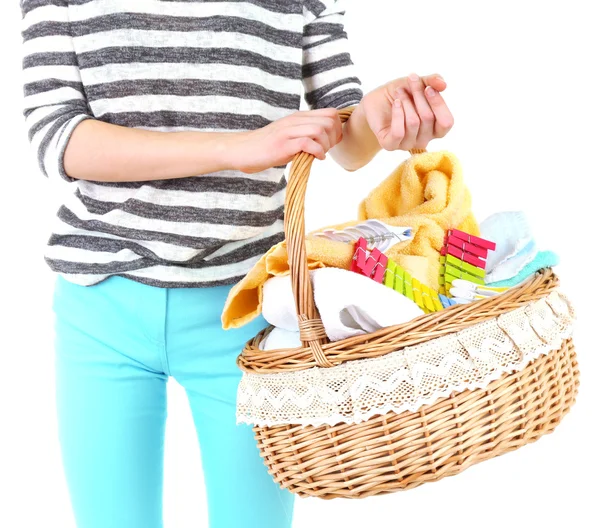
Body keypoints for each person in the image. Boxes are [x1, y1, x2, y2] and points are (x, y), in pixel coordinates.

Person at [21, 1, 453, 527]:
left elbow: (345, 132)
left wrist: (380, 113)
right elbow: (56, 138)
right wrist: (235, 148)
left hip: (248, 317)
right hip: (100, 307)